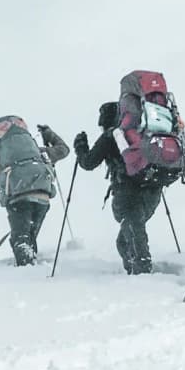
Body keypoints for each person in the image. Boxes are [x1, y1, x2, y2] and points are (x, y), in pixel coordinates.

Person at [0, 118, 69, 266]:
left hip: (18, 199)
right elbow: (63, 149)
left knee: (21, 238)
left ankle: (25, 273)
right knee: (30, 235)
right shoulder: (38, 153)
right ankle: (32, 267)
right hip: (43, 197)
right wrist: (48, 134)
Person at [73, 101, 165, 275]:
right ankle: (138, 272)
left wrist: (80, 146)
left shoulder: (111, 135)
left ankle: (143, 274)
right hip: (153, 190)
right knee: (126, 238)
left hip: (127, 191)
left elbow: (88, 162)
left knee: (131, 235)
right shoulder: (144, 131)